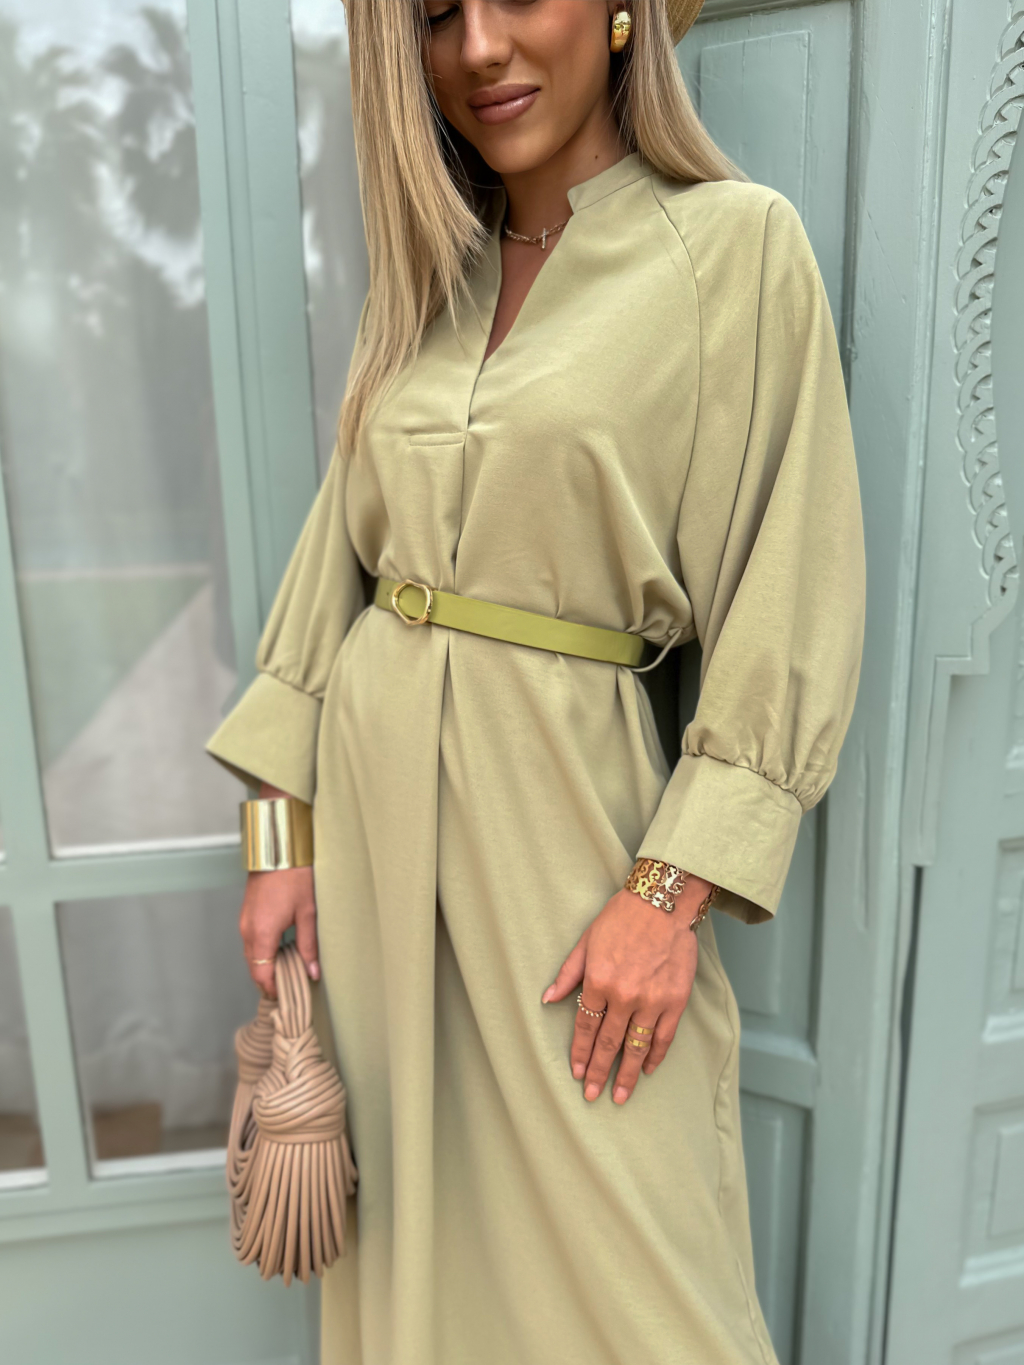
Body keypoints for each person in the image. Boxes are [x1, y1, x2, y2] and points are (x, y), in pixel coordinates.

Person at [206, 1, 865, 1361]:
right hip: (377, 858)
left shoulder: (735, 248)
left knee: (646, 1291)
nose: (480, 50)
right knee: (422, 1270)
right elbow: (335, 574)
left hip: (570, 856)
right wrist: (279, 835)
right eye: (439, 16)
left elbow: (789, 586)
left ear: (624, 12)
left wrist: (668, 895)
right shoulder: (425, 281)